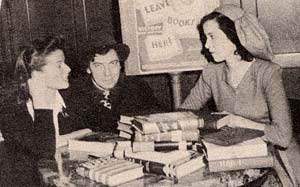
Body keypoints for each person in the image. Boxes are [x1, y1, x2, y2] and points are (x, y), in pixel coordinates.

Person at [180, 4, 300, 185]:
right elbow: (184, 114)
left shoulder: (267, 72)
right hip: (233, 155)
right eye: (205, 38)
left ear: (234, 37)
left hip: (276, 161)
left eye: (212, 37)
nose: (206, 45)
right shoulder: (212, 72)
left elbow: (283, 137)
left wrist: (239, 121)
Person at [0, 36, 84, 187]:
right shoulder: (12, 109)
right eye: (59, 65)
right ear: (35, 73)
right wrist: (41, 105)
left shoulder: (69, 97)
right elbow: (44, 156)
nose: (68, 69)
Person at [67, 35, 165, 133]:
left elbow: (157, 121)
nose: (107, 73)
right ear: (88, 69)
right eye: (98, 66)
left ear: (120, 65)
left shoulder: (138, 87)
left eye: (113, 63)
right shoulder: (74, 94)